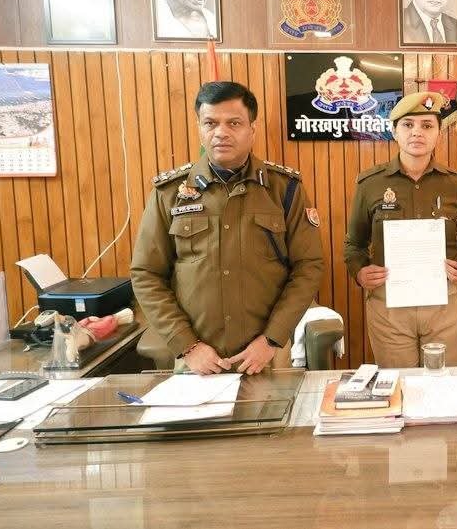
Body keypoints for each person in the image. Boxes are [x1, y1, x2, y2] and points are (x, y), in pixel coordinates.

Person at [131, 81, 325, 375]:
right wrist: (187, 345)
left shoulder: (284, 189)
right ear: (199, 128)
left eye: (234, 123)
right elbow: (146, 274)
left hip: (266, 356)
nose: (221, 132)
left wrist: (272, 338)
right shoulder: (170, 193)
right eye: (210, 123)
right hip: (197, 361)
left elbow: (308, 266)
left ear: (252, 129)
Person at [344, 91, 457, 368]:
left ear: (438, 134)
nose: (417, 132)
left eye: (427, 125)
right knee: (399, 386)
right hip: (390, 306)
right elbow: (354, 244)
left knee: (446, 382)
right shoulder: (370, 184)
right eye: (408, 124)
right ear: (394, 131)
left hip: (445, 304)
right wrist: (359, 272)